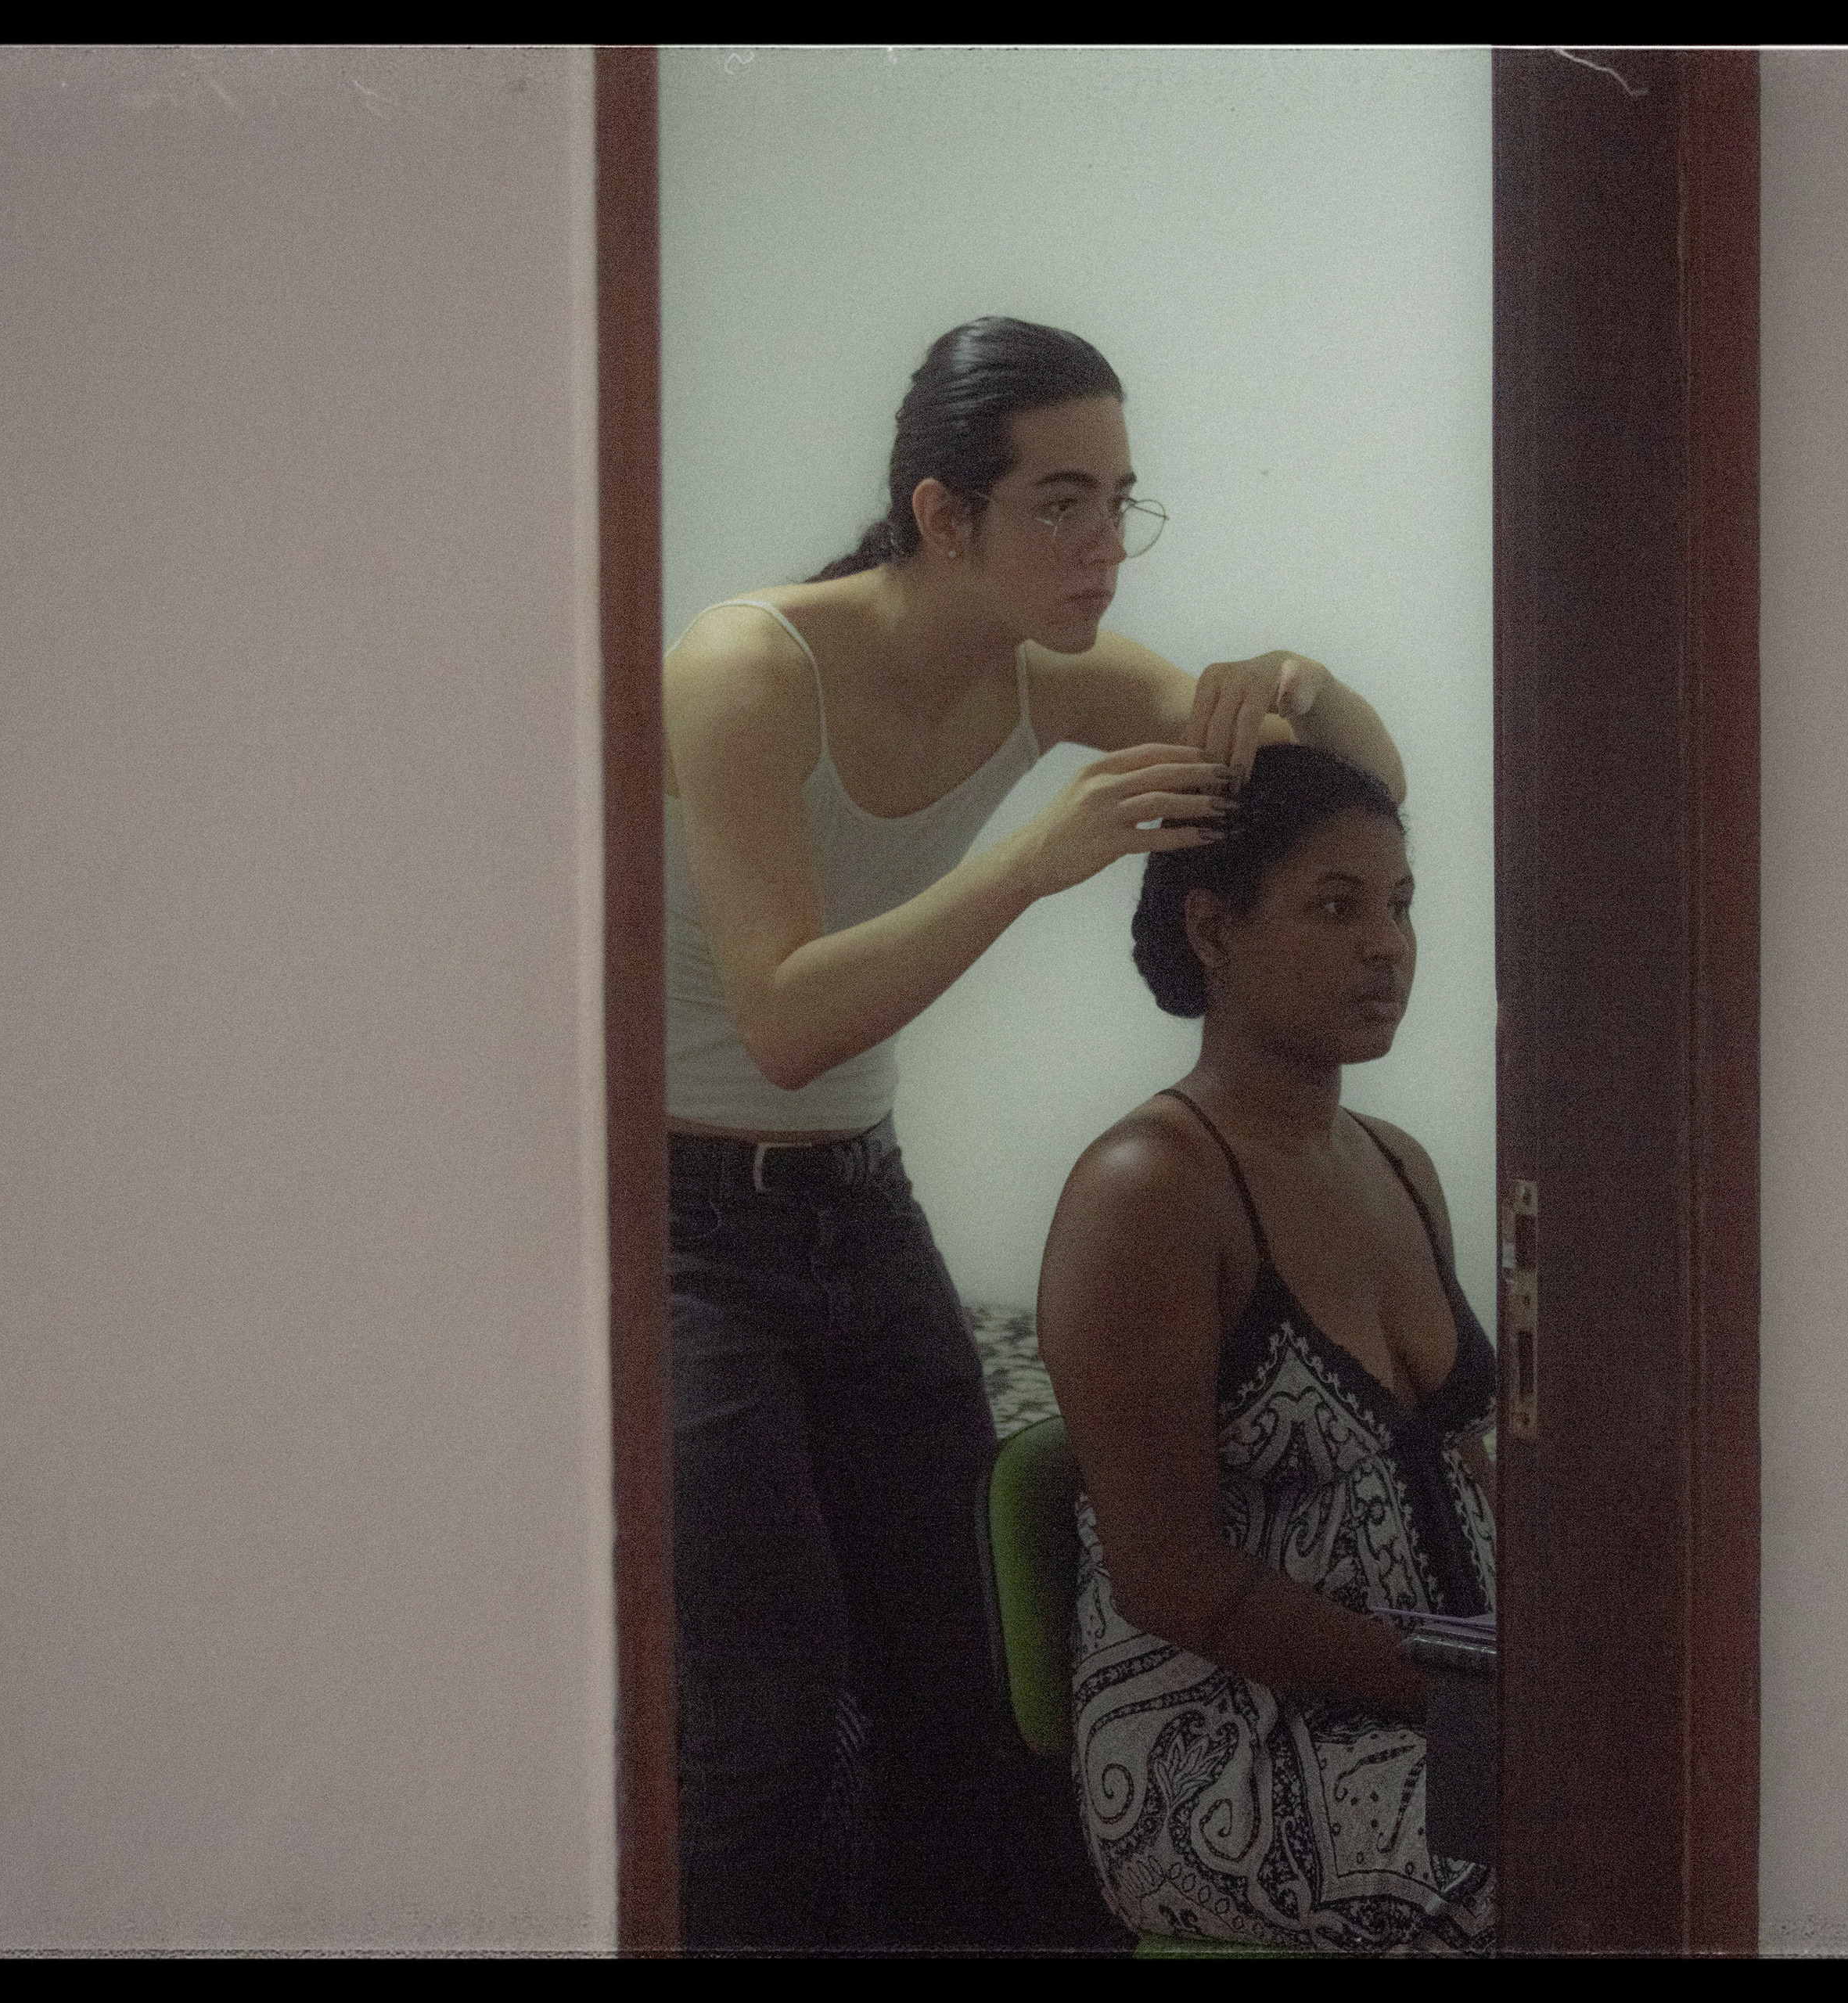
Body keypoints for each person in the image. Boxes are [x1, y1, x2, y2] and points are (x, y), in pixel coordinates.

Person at [660, 318, 1408, 1951]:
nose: (1104, 546)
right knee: (766, 1735)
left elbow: (1352, 785)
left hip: (858, 1200)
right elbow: (783, 1022)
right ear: (945, 514)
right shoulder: (744, 668)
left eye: (1121, 500)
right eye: (1062, 502)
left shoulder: (1049, 673)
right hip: (681, 1226)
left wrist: (1297, 680)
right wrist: (1032, 860)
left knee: (968, 1683)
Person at [1034, 743, 1495, 1954]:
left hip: (1446, 1701)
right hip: (1228, 1753)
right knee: (1599, 1853)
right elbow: (1171, 1577)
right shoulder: (1151, 1190)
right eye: (1337, 908)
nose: (1388, 946)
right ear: (1213, 929)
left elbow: (1456, 1458)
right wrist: (1477, 1691)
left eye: (1401, 905)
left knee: (1700, 1781)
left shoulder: (1399, 1164)